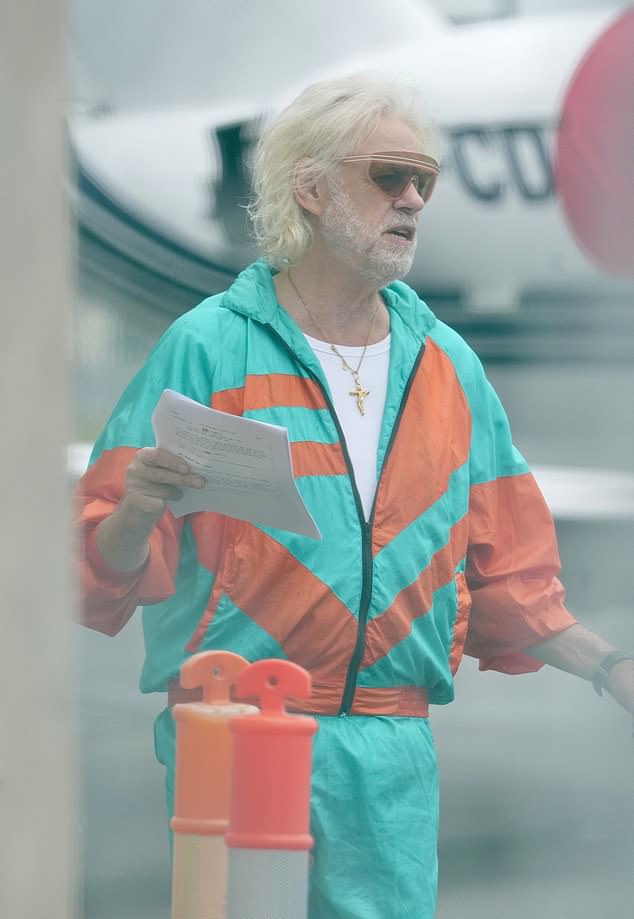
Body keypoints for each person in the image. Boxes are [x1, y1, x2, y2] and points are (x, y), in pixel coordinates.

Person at [77, 73, 634, 918]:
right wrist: (136, 510)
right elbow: (96, 569)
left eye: (424, 182)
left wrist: (611, 665)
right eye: (388, 176)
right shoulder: (206, 346)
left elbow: (515, 580)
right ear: (309, 185)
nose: (412, 198)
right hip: (235, 724)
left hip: (393, 752)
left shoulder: (449, 368)